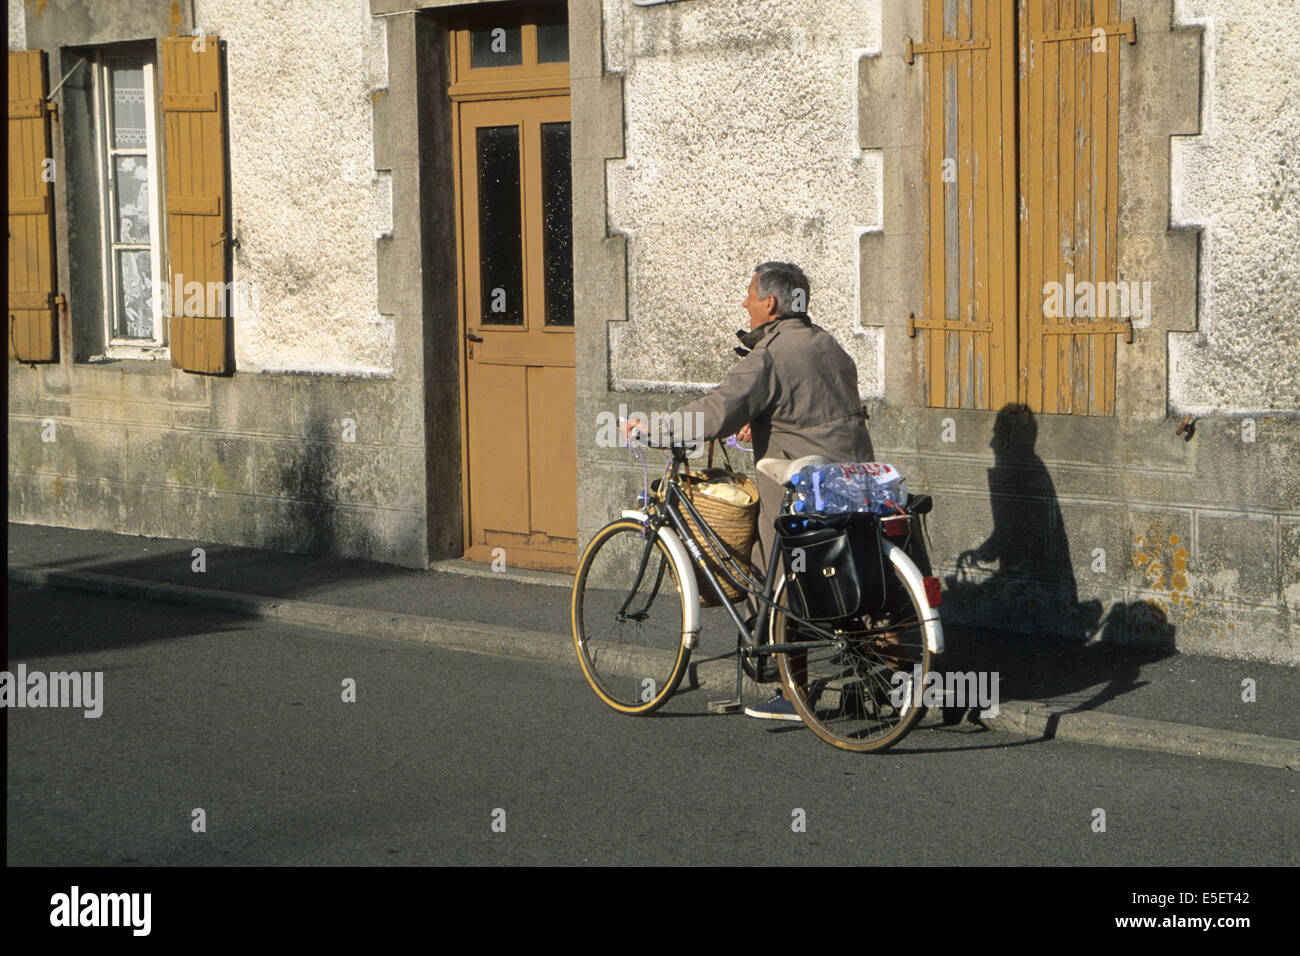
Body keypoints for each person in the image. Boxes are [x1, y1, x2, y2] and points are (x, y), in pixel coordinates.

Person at [622, 261, 873, 720]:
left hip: (801, 485)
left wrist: (653, 427)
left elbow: (717, 410)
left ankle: (793, 694)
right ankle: (891, 674)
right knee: (853, 567)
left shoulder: (770, 356)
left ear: (770, 303)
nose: (745, 303)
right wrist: (760, 425)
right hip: (852, 481)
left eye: (750, 295)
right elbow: (812, 410)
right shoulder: (829, 346)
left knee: (776, 574)